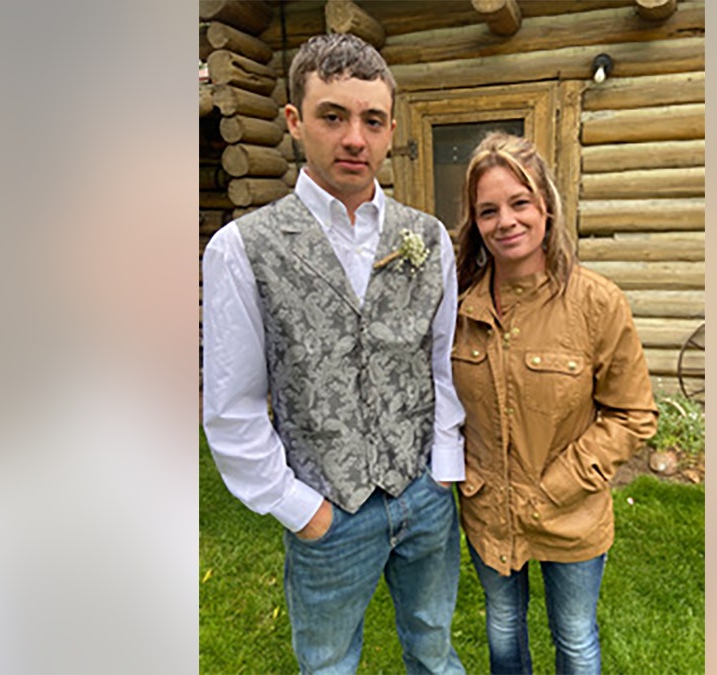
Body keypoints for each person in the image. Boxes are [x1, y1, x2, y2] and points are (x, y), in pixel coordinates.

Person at [201, 33, 466, 675]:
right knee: (327, 665)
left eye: (371, 120)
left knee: (433, 648)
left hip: (424, 495)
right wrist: (301, 509)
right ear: (295, 122)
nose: (354, 138)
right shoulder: (241, 249)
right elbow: (231, 407)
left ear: (390, 129)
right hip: (327, 507)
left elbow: (444, 363)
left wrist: (444, 470)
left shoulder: (427, 238)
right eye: (333, 116)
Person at [450, 132, 660, 675]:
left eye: (520, 203)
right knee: (502, 629)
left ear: (546, 207)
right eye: (489, 210)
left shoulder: (596, 302)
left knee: (575, 640)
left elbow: (633, 414)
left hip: (572, 514)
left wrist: (558, 484)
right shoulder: (458, 306)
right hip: (488, 511)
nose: (506, 221)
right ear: (476, 222)